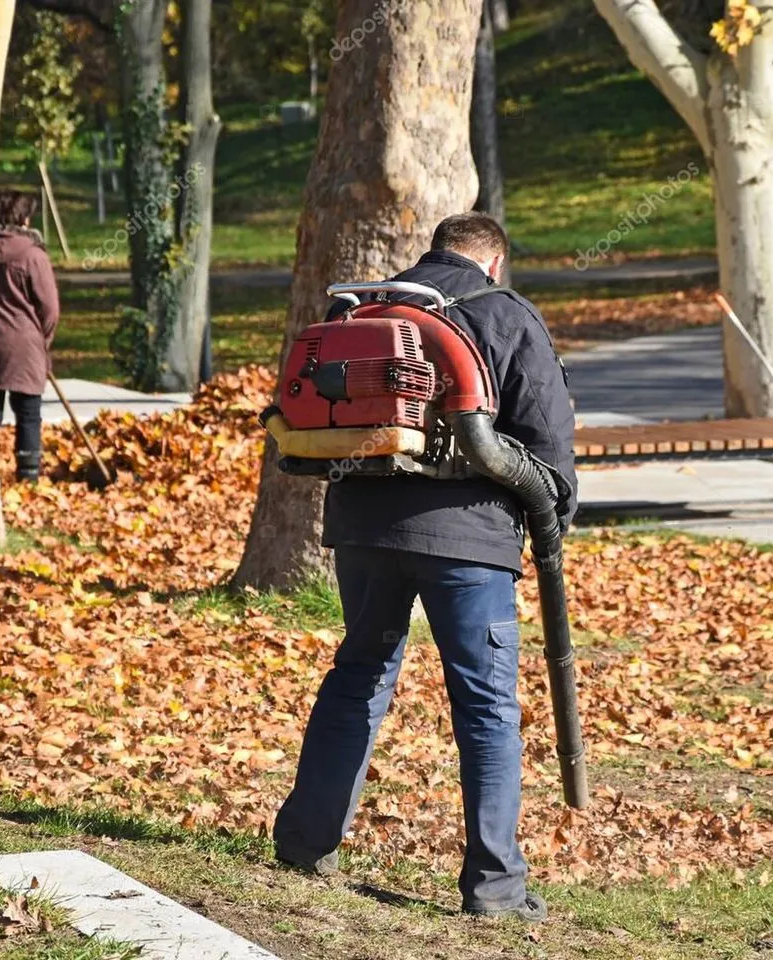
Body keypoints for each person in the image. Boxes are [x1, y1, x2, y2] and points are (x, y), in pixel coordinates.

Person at [273, 212, 577, 922]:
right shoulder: (505, 314)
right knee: (486, 706)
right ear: (493, 262)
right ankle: (495, 887)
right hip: (469, 541)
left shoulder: (359, 307)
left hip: (361, 528)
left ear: (433, 250)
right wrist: (550, 523)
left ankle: (307, 842)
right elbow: (548, 442)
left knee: (359, 677)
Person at [0, 190, 60, 482]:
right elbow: (50, 308)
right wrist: (43, 342)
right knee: (28, 415)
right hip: (25, 345)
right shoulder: (32, 256)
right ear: (23, 219)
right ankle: (28, 478)